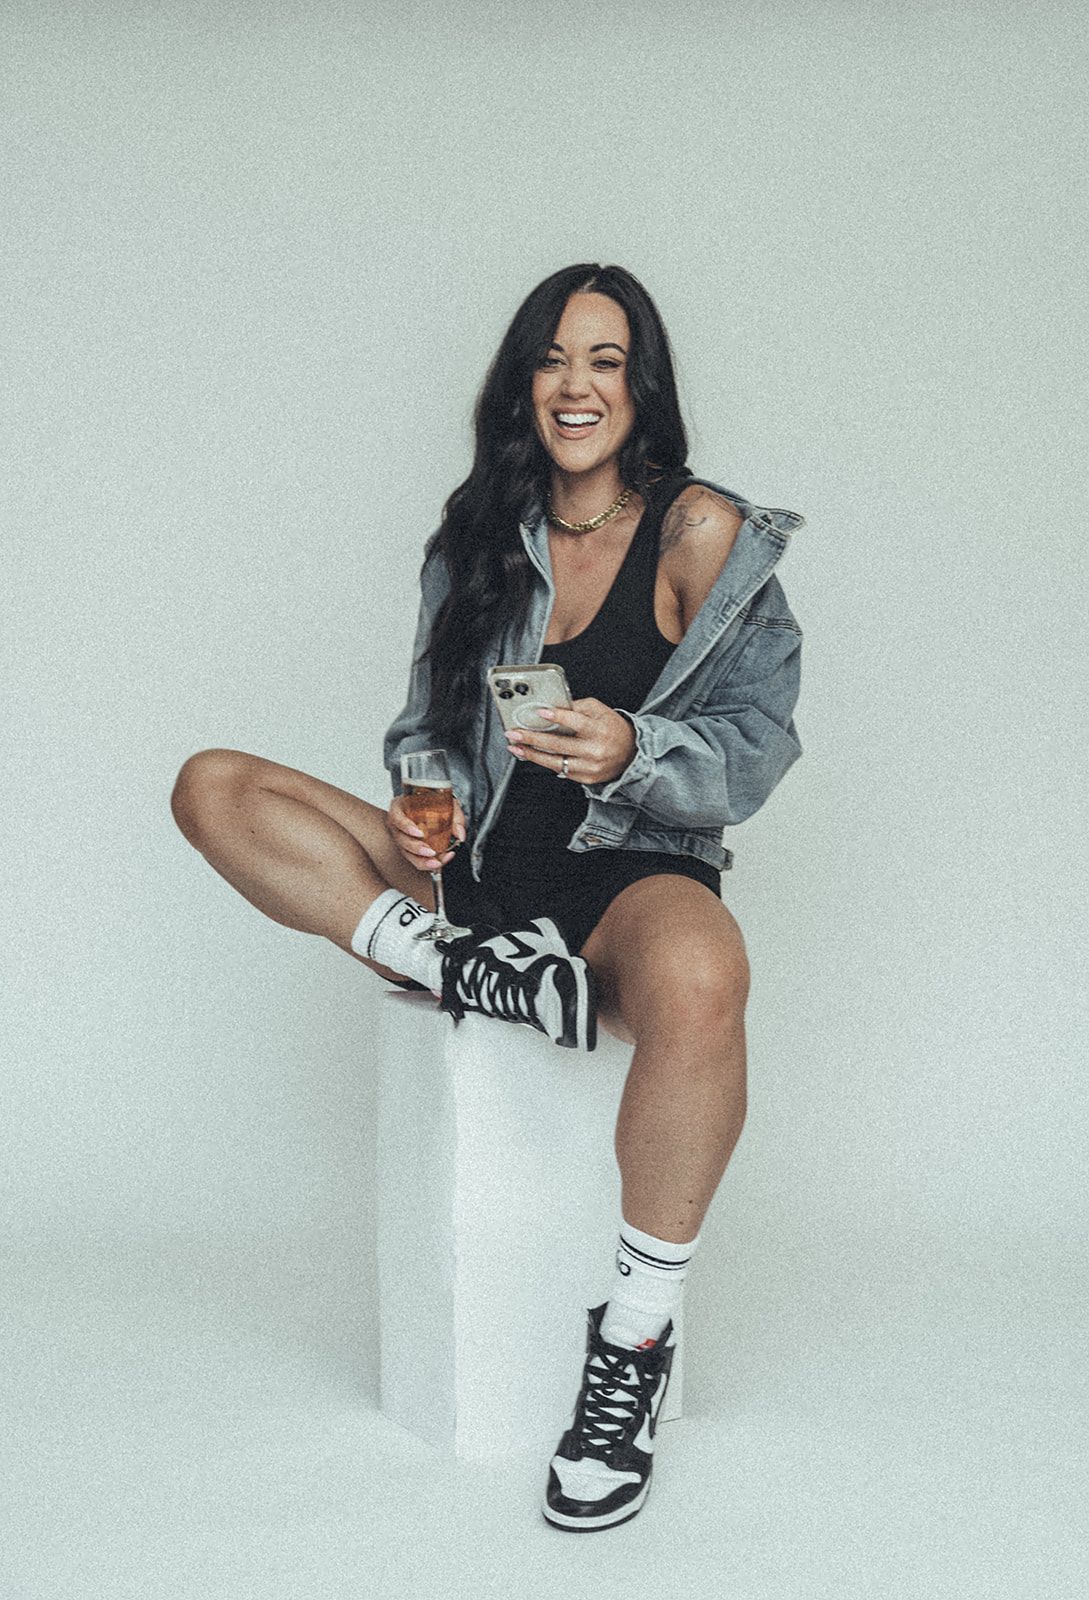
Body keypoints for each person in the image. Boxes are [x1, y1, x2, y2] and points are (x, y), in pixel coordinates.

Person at [170, 261, 804, 1532]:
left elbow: (761, 739)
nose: (577, 385)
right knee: (214, 786)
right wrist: (422, 797)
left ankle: (630, 1341)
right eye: (554, 359)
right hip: (475, 880)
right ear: (524, 382)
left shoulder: (701, 533)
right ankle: (454, 962)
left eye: (606, 360)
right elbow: (426, 724)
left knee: (706, 976)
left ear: (643, 385)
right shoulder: (478, 529)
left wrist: (635, 748)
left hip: (630, 874)